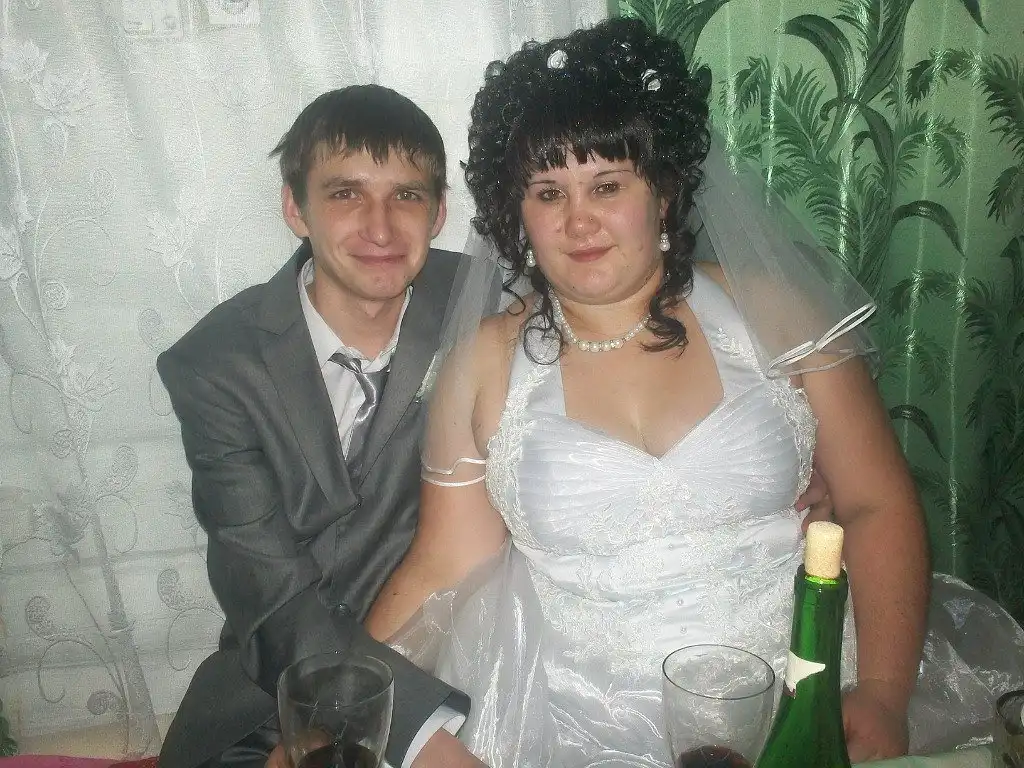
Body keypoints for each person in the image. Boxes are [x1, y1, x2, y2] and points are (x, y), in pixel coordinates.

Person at [363, 18, 1024, 767]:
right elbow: (442, 564)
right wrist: (342, 700)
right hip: (568, 722)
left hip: (798, 693)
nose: (578, 221)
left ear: (666, 191)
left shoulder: (775, 312)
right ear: (518, 212)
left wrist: (880, 692)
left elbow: (876, 501)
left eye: (607, 185)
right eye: (549, 193)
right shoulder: (482, 362)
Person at [157, 85, 486, 768]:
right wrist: (389, 733)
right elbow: (266, 589)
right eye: (344, 194)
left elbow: (629, 286)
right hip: (274, 693)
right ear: (294, 208)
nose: (380, 227)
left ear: (439, 213)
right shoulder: (215, 364)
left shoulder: (490, 304)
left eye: (406, 195)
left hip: (471, 670)